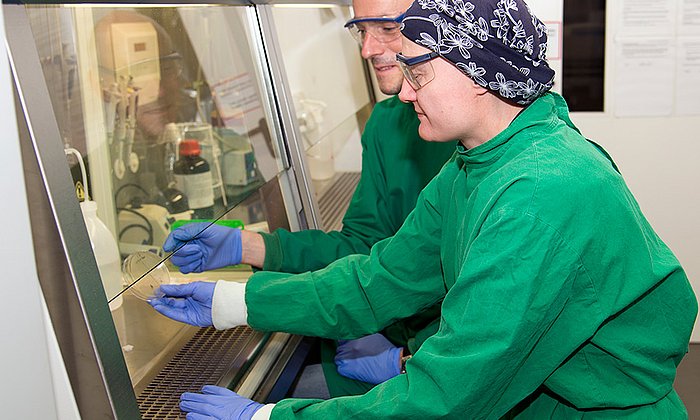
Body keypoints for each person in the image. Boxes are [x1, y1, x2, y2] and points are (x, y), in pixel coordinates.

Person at [150, 0, 698, 418]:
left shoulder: (541, 189)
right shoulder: (476, 162)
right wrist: (234, 301)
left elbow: (447, 396)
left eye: (419, 72)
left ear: (478, 69)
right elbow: (377, 279)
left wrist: (273, 415)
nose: (406, 93)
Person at [161, 0, 455, 399]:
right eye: (361, 31)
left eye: (386, 28)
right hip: (396, 332)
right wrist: (247, 245)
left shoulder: (481, 151)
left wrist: (406, 359)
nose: (367, 49)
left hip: (441, 364)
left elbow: (491, 322)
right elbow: (366, 249)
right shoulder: (388, 122)